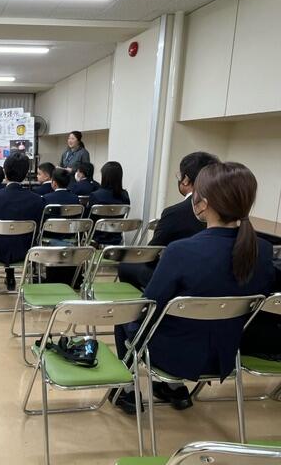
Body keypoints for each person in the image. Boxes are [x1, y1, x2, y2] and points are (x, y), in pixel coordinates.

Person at [113, 162, 274, 414]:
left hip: (175, 356)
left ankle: (128, 391)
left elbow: (148, 308)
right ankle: (172, 388)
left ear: (204, 203)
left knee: (126, 317)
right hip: (226, 355)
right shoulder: (262, 250)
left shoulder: (181, 251)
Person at [118, 152, 219, 290]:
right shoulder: (224, 210)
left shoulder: (174, 213)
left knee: (126, 265)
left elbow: (150, 255)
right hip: (212, 278)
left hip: (180, 281)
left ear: (185, 179)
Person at [0, 152, 45, 292]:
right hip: (25, 251)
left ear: (5, 172)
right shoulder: (37, 199)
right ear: (26, 174)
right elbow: (37, 230)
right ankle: (11, 278)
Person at [87, 161, 131, 246]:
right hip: (117, 239)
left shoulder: (95, 195)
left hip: (97, 239)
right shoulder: (125, 195)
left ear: (104, 176)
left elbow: (89, 220)